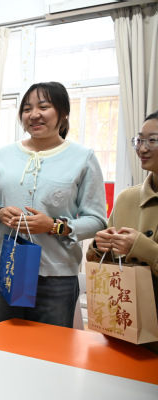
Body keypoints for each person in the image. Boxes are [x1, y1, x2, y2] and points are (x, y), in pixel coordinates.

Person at [0, 81, 107, 328]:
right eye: (27, 109)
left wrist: (53, 226)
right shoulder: (3, 155)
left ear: (63, 112)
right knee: (2, 341)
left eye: (43, 107)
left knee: (51, 346)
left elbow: (97, 220)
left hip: (57, 274)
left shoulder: (83, 158)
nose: (34, 114)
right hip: (7, 265)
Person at [87, 111, 158, 354]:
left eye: (152, 140)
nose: (142, 148)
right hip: (124, 325)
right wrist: (99, 246)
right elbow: (102, 262)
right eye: (139, 140)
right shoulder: (127, 198)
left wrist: (141, 248)